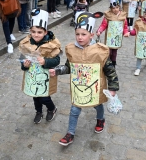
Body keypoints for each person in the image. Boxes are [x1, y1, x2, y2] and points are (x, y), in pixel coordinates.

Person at [49, 11, 119, 146]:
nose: (79, 37)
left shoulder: (100, 51)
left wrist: (113, 88)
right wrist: (57, 71)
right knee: (75, 109)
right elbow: (69, 67)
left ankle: (100, 119)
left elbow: (110, 70)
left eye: (83, 34)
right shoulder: (72, 49)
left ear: (91, 35)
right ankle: (70, 133)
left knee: (97, 105)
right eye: (77, 34)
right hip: (79, 87)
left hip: (95, 87)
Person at [19, 9, 60, 123]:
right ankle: (38, 111)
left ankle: (52, 109)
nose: (36, 35)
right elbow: (22, 61)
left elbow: (56, 60)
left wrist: (46, 61)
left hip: (44, 77)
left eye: (39, 32)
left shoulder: (51, 44)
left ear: (45, 32)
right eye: (33, 32)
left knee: (44, 96)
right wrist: (25, 65)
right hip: (32, 76)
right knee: (35, 96)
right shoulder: (26, 44)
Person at [96, 0, 130, 67]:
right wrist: (99, 31)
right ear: (111, 8)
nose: (115, 9)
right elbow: (103, 25)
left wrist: (126, 32)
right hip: (109, 37)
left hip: (117, 37)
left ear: (119, 7)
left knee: (114, 51)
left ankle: (113, 63)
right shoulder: (108, 16)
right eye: (113, 8)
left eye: (117, 7)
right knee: (109, 51)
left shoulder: (122, 16)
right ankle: (108, 62)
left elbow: (125, 26)